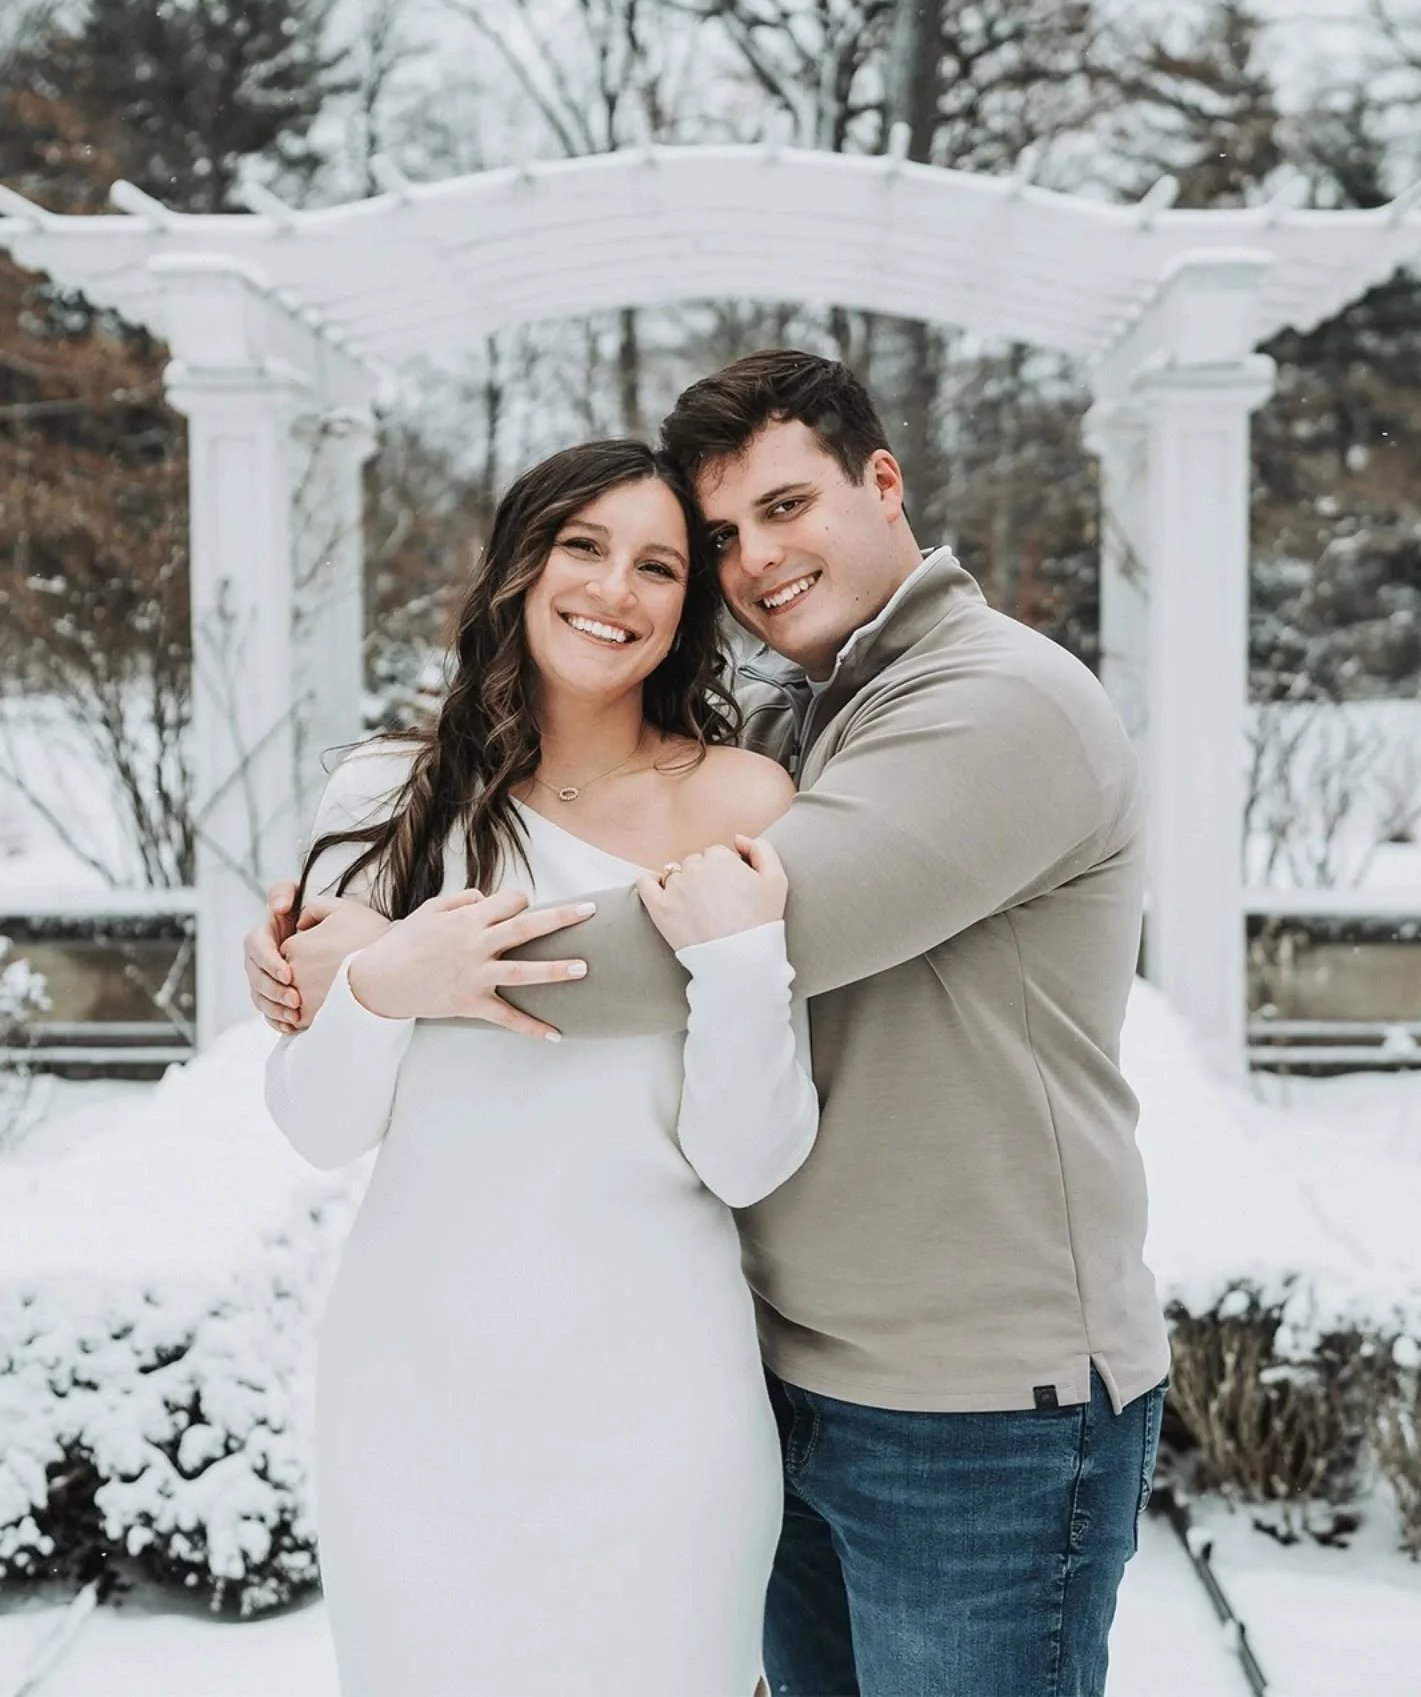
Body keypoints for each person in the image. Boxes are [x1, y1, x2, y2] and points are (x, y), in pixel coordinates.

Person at [249, 352, 1171, 1697]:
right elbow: (320, 1113)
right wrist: (356, 984)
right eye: (723, 535)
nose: (753, 559)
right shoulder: (788, 721)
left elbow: (727, 991)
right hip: (592, 1375)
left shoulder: (968, 711)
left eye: (775, 512)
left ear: (883, 481)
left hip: (957, 1397)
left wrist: (396, 960)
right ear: (518, 563)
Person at [262, 437, 820, 1697]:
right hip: (415, 1399)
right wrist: (384, 982)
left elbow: (750, 1161)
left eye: (658, 566)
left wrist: (740, 969)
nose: (615, 589)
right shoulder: (386, 796)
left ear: (688, 606)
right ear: (522, 563)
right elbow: (315, 1123)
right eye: (584, 546)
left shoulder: (744, 799)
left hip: (663, 1402)